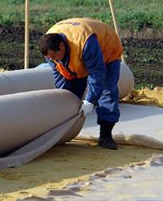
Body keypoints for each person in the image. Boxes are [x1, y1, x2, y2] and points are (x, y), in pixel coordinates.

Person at [38, 18, 123, 150]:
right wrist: (64, 98)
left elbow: (97, 74)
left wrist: (89, 101)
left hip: (107, 52)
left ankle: (105, 135)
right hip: (78, 53)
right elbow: (60, 75)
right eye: (50, 59)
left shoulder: (86, 42)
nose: (52, 60)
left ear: (61, 47)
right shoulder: (49, 48)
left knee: (107, 91)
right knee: (70, 90)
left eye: (54, 57)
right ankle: (64, 131)